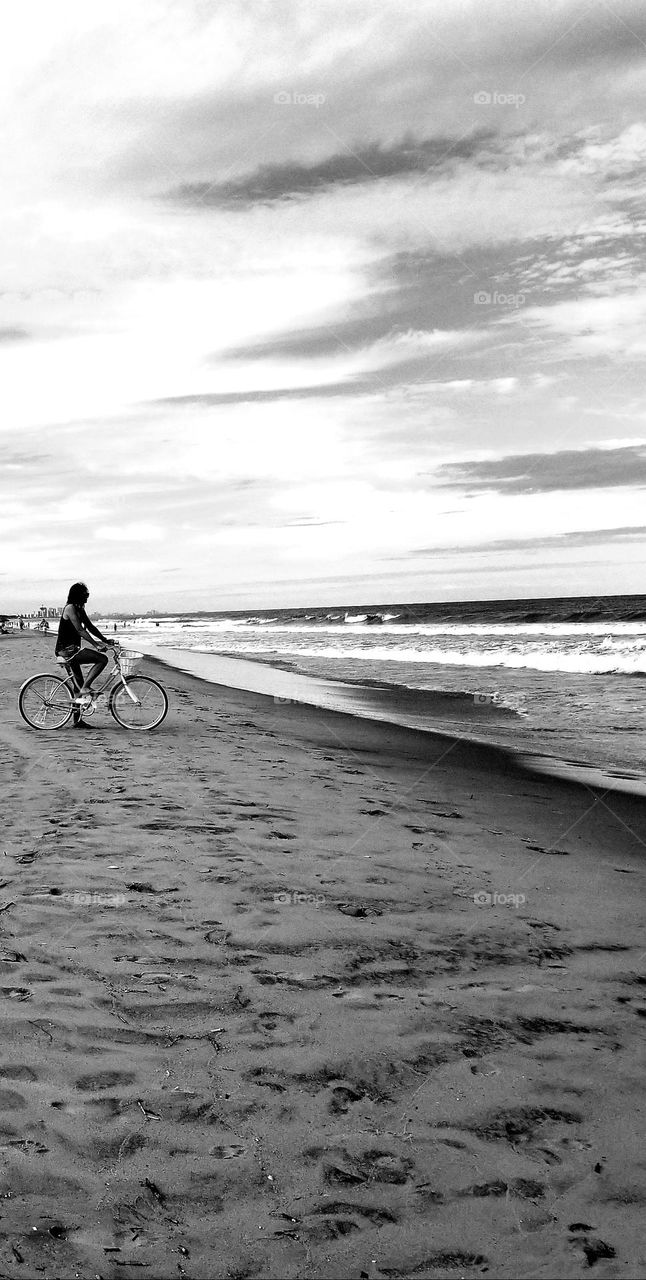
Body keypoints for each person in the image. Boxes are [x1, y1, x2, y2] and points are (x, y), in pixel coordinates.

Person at [55, 582, 115, 729]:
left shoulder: (80, 608)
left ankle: (77, 721)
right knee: (102, 659)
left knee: (77, 686)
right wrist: (96, 645)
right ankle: (86, 688)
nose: (87, 598)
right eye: (85, 596)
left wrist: (104, 640)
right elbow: (81, 631)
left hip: (72, 649)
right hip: (67, 650)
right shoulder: (70, 608)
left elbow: (90, 627)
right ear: (79, 595)